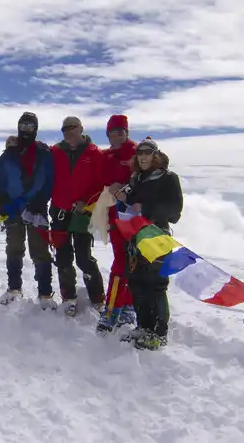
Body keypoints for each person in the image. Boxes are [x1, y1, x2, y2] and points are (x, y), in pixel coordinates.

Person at [112, 137, 183, 350]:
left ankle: (159, 333)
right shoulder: (136, 179)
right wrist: (125, 197)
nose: (143, 156)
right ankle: (144, 326)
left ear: (155, 155)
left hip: (157, 237)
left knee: (156, 286)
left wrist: (147, 208)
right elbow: (133, 204)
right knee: (137, 283)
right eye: (140, 153)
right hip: (136, 238)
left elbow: (175, 212)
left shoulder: (168, 178)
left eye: (147, 152)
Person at [0, 111, 56, 309]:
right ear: (18, 127)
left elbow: (50, 180)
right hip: (12, 209)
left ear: (36, 129)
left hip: (36, 209)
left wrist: (41, 201)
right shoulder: (9, 154)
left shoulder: (44, 154)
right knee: (14, 249)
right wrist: (1, 202)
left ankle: (45, 294)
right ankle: (14, 288)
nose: (26, 130)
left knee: (40, 251)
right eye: (23, 126)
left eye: (30, 126)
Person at [47, 116, 106, 317]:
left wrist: (87, 202)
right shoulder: (55, 152)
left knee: (83, 257)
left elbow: (101, 185)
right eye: (65, 129)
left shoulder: (95, 153)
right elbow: (45, 176)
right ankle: (68, 298)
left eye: (72, 128)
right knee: (62, 257)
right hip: (60, 211)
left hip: (83, 214)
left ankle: (98, 299)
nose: (69, 132)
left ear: (81, 128)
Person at [97, 114, 138, 334]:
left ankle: (122, 307)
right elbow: (102, 178)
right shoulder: (108, 156)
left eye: (120, 131)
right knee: (121, 261)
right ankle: (115, 308)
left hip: (136, 218)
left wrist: (126, 188)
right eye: (112, 132)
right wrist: (112, 187)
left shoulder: (136, 152)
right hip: (115, 217)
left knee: (131, 262)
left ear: (126, 132)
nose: (116, 136)